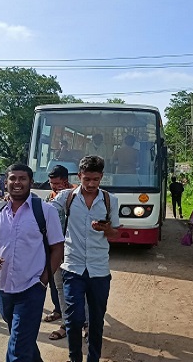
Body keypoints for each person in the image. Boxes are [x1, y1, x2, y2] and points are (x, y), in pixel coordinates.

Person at [0, 163, 64, 362]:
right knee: (23, 339)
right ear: (6, 182)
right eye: (13, 178)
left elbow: (58, 248)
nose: (17, 182)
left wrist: (43, 281)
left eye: (22, 178)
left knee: (18, 350)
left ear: (30, 182)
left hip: (31, 287)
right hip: (3, 288)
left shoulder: (45, 211)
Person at [53, 155, 119, 362]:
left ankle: (93, 359)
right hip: (73, 268)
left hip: (99, 270)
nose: (91, 184)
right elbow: (46, 215)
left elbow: (115, 233)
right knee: (74, 320)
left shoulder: (109, 200)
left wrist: (107, 228)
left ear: (101, 177)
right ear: (79, 175)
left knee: (96, 322)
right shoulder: (66, 198)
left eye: (96, 179)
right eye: (87, 179)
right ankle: (74, 358)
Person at [44, 165, 77, 340]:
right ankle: (64, 318)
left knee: (76, 287)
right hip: (56, 249)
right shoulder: (52, 197)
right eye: (51, 183)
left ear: (65, 180)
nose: (54, 187)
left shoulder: (76, 195)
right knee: (58, 286)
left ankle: (82, 323)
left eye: (57, 183)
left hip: (73, 250)